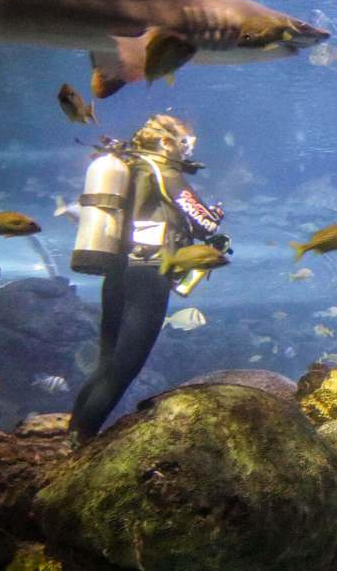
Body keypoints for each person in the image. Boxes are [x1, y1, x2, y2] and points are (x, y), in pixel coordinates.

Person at [69, 114, 228, 442]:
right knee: (125, 367)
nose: (188, 151)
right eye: (186, 143)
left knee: (107, 363)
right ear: (166, 142)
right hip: (149, 273)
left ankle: (71, 434)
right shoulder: (164, 171)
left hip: (118, 270)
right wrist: (216, 217)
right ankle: (79, 443)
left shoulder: (128, 167)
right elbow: (203, 222)